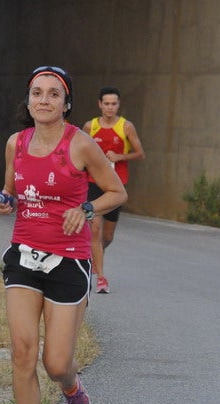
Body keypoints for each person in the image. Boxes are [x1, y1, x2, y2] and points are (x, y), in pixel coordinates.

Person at [0, 66, 127, 404]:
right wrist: (3, 199)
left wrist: (86, 209)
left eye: (53, 94)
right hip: (25, 256)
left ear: (66, 103)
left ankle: (70, 385)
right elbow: (11, 190)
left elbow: (117, 191)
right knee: (22, 352)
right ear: (28, 100)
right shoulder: (16, 143)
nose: (44, 100)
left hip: (68, 260)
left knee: (55, 363)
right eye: (37, 93)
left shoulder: (81, 145)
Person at [82, 86, 145, 293]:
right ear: (100, 104)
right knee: (95, 230)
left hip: (116, 186)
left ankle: (95, 256)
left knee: (107, 237)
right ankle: (101, 278)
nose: (110, 107)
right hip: (93, 184)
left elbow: (140, 153)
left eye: (114, 104)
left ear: (118, 105)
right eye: (106, 103)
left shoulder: (126, 127)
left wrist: (119, 157)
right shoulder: (90, 127)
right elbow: (80, 153)